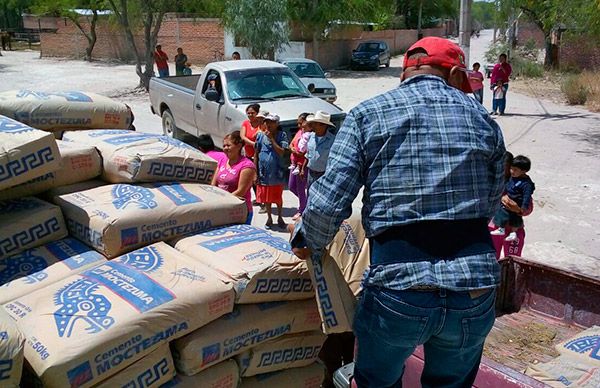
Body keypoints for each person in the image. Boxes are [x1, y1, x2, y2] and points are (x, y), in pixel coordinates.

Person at [290, 37, 506, 388]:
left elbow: (329, 200)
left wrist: (307, 240)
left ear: (406, 73)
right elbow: (492, 202)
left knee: (377, 382)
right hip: (474, 289)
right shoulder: (483, 120)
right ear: (453, 74)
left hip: (398, 290)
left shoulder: (367, 114)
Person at [212, 131, 256, 225]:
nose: (225, 148)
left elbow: (241, 192)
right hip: (221, 208)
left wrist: (222, 202)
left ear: (239, 146)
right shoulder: (222, 161)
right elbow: (214, 184)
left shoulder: (247, 165)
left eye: (228, 145)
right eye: (224, 146)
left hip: (239, 211)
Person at [254, 113, 288, 229]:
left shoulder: (282, 136)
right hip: (264, 173)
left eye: (271, 122)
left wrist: (272, 140)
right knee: (266, 197)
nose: (268, 124)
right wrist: (256, 172)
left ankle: (279, 217)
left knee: (277, 197)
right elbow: (256, 154)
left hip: (277, 172)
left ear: (277, 123)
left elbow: (282, 152)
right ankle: (269, 217)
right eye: (267, 122)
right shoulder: (260, 136)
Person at [491, 155, 535, 242]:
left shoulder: (524, 184)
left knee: (511, 256)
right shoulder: (494, 180)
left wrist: (518, 210)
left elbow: (527, 206)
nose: (502, 169)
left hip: (513, 227)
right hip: (494, 225)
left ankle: (513, 232)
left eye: (505, 166)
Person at [305, 111, 336, 190]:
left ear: (323, 126)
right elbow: (308, 154)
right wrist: (303, 168)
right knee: (310, 196)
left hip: (324, 174)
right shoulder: (311, 137)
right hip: (311, 173)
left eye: (315, 123)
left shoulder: (332, 140)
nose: (313, 125)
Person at [289, 113, 312, 221]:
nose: (299, 125)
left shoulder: (309, 135)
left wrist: (298, 153)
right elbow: (291, 144)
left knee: (300, 188)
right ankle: (306, 204)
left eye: (301, 123)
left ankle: (302, 210)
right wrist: (293, 149)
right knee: (291, 186)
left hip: (301, 164)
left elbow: (305, 152)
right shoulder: (300, 132)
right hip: (294, 162)